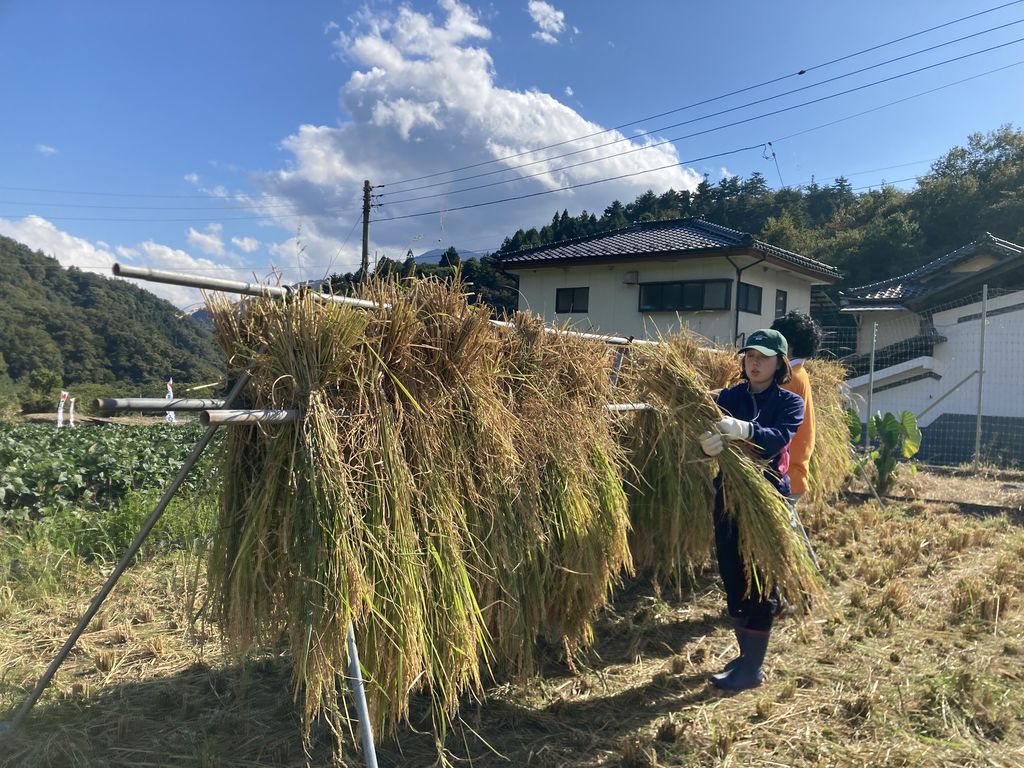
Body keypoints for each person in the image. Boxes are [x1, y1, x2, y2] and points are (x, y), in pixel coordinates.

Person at [699, 328, 804, 691]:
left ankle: (753, 668)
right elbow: (702, 429)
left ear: (780, 363)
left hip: (768, 495)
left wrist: (744, 429)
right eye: (749, 356)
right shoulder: (729, 397)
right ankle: (745, 657)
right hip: (728, 494)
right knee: (732, 573)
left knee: (760, 577)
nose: (754, 362)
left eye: (763, 357)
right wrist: (707, 447)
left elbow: (778, 438)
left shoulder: (790, 403)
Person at [770, 312, 823, 503]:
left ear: (788, 346)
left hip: (784, 475)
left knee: (779, 532)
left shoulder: (788, 379)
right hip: (792, 473)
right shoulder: (798, 373)